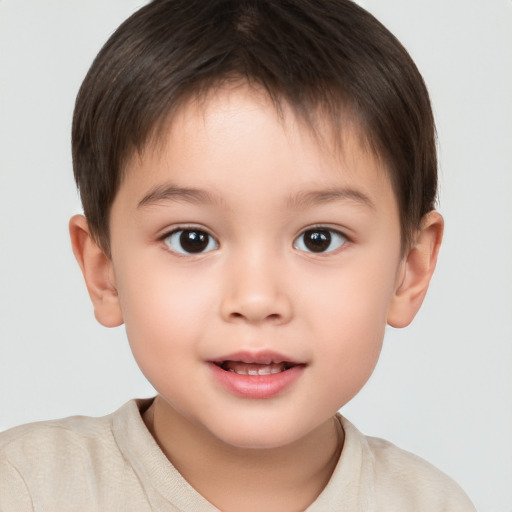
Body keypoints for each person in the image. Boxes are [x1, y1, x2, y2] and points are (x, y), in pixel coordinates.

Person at [0, 0, 477, 510]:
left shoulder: (432, 503)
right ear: (104, 272)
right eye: (192, 239)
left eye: (319, 238)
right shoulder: (26, 488)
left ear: (411, 269)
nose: (255, 299)